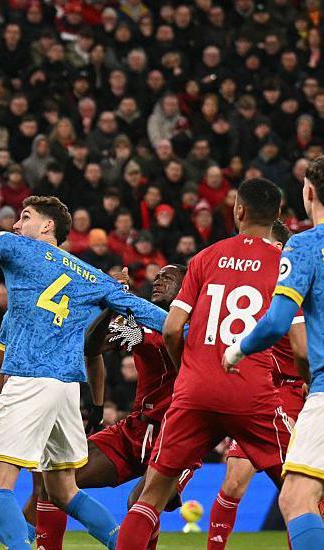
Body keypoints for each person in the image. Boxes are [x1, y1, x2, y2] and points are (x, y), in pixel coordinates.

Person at [0, 196, 167, 550]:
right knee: (63, 490)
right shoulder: (90, 274)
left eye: (25, 217)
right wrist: (193, 332)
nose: (17, 225)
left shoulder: (19, 248)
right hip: (67, 390)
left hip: (30, 379)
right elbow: (140, 308)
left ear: (48, 225)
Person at [116, 178, 291, 550]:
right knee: (299, 490)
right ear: (277, 215)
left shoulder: (205, 257)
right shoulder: (284, 264)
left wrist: (188, 369)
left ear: (238, 210)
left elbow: (172, 328)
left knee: (150, 497)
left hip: (195, 389)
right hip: (251, 391)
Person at [34, 265, 198, 550]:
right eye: (156, 277)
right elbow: (92, 347)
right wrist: (112, 301)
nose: (158, 281)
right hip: (136, 429)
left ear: (186, 288)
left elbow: (169, 343)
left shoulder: (197, 327)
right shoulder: (138, 325)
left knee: (139, 503)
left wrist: (141, 336)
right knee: (56, 482)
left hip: (177, 434)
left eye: (168, 278)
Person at [223, 158, 324, 550]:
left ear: (309, 192)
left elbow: (276, 322)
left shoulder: (304, 246)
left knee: (296, 497)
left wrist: (237, 350)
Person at [207, 221, 308, 550]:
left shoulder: (298, 286)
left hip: (297, 391)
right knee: (234, 480)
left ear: (278, 249)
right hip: (262, 392)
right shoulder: (254, 286)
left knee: (298, 489)